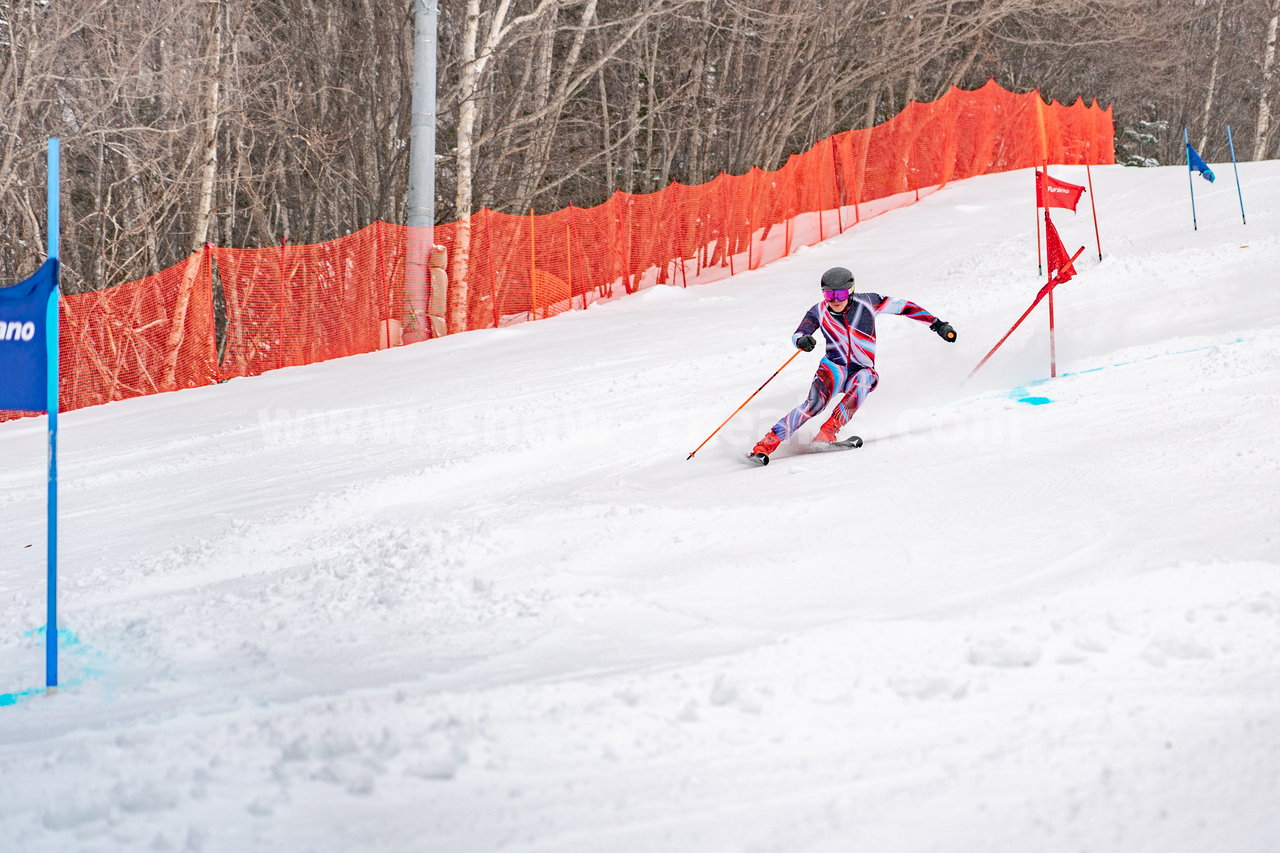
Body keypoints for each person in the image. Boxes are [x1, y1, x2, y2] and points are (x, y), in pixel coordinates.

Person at [748, 266, 956, 461]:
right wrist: (802, 340)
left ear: (851, 291)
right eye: (829, 295)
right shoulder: (819, 311)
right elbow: (800, 333)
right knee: (813, 406)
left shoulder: (869, 302)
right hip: (833, 368)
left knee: (868, 378)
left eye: (840, 294)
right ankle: (765, 445)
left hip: (861, 369)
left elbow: (905, 307)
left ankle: (827, 433)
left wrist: (936, 324)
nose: (835, 300)